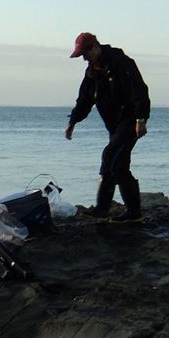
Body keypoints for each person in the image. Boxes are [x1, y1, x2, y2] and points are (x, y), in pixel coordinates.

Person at [65, 32, 150, 223]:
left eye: (85, 54)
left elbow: (140, 91)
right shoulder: (92, 73)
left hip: (129, 120)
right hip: (114, 125)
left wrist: (141, 119)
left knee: (114, 160)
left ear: (95, 47)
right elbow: (85, 100)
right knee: (111, 162)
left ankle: (133, 213)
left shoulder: (122, 63)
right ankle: (102, 209)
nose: (84, 58)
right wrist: (73, 122)